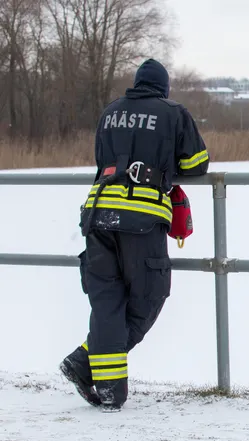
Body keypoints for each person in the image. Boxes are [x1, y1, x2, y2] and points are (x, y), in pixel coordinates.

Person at [58, 58, 210, 412]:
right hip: (140, 218)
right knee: (149, 297)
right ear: (164, 87)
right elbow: (196, 163)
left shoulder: (110, 111)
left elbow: (102, 160)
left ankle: (94, 372)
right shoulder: (173, 112)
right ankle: (93, 372)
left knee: (108, 301)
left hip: (97, 215)